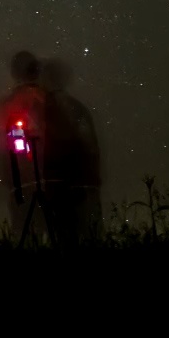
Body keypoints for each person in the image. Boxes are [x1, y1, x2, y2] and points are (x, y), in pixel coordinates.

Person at [40, 58, 103, 246]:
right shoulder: (77, 108)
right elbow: (91, 146)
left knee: (64, 236)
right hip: (80, 181)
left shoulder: (44, 109)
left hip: (60, 183)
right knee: (84, 233)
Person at [0, 51, 50, 238]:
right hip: (47, 179)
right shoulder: (50, 100)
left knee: (24, 230)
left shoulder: (8, 104)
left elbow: (0, 146)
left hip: (22, 182)